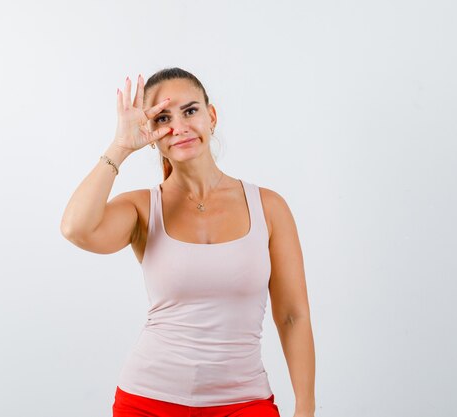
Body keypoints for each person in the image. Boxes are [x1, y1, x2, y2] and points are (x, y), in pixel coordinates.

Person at [60, 67, 315, 417]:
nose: (178, 127)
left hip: (243, 402)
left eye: (190, 111)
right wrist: (119, 147)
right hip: (147, 401)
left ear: (211, 116)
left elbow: (292, 316)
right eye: (162, 117)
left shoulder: (268, 206)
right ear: (150, 131)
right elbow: (77, 229)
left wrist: (306, 406)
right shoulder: (142, 208)